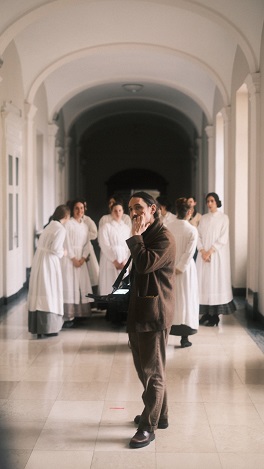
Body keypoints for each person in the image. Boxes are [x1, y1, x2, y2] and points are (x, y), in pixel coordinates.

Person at [126, 191, 176, 449]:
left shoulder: (164, 237)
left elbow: (145, 264)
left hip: (155, 312)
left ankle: (148, 426)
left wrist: (135, 238)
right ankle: (161, 414)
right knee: (145, 368)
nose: (134, 213)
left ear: (152, 209)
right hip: (139, 309)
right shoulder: (145, 233)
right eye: (131, 209)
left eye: (138, 208)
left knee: (153, 371)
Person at [28, 204, 70, 338]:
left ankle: (38, 326)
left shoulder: (49, 226)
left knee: (41, 290)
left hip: (40, 260)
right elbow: (55, 249)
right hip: (49, 263)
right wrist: (63, 252)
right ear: (66, 216)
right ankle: (48, 327)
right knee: (50, 290)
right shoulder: (60, 229)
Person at [196, 192, 236, 326]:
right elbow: (198, 235)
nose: (209, 203)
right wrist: (202, 251)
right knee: (205, 284)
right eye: (207, 201)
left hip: (216, 256)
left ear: (217, 202)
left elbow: (223, 238)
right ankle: (206, 313)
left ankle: (215, 316)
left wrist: (210, 251)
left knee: (215, 282)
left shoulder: (224, 218)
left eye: (212, 201)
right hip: (204, 257)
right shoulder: (204, 218)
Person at [167, 198, 199, 347]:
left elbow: (164, 248)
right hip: (185, 271)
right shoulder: (192, 230)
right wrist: (180, 267)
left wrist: (171, 266)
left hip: (169, 268)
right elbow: (189, 253)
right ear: (189, 212)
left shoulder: (168, 227)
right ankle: (184, 338)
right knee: (186, 298)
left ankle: (166, 332)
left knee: (171, 299)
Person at [61, 198, 93, 327]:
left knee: (81, 285)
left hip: (81, 260)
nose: (80, 211)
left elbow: (87, 244)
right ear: (72, 210)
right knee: (70, 285)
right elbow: (66, 241)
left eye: (81, 208)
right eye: (77, 208)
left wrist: (84, 258)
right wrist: (74, 258)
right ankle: (69, 316)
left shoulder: (85, 226)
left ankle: (80, 314)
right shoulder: (68, 224)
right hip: (70, 259)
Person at [98, 201, 131, 296]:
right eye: (115, 211)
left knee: (122, 287)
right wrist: (114, 260)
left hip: (123, 261)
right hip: (110, 260)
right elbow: (104, 244)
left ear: (123, 212)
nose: (117, 213)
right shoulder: (106, 227)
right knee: (110, 285)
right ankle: (111, 309)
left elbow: (128, 246)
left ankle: (121, 309)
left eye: (120, 210)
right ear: (111, 212)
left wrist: (125, 261)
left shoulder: (126, 228)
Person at [82, 199, 99, 291]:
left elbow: (94, 233)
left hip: (86, 246)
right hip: (76, 248)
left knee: (90, 272)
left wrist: (83, 236)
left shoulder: (87, 220)